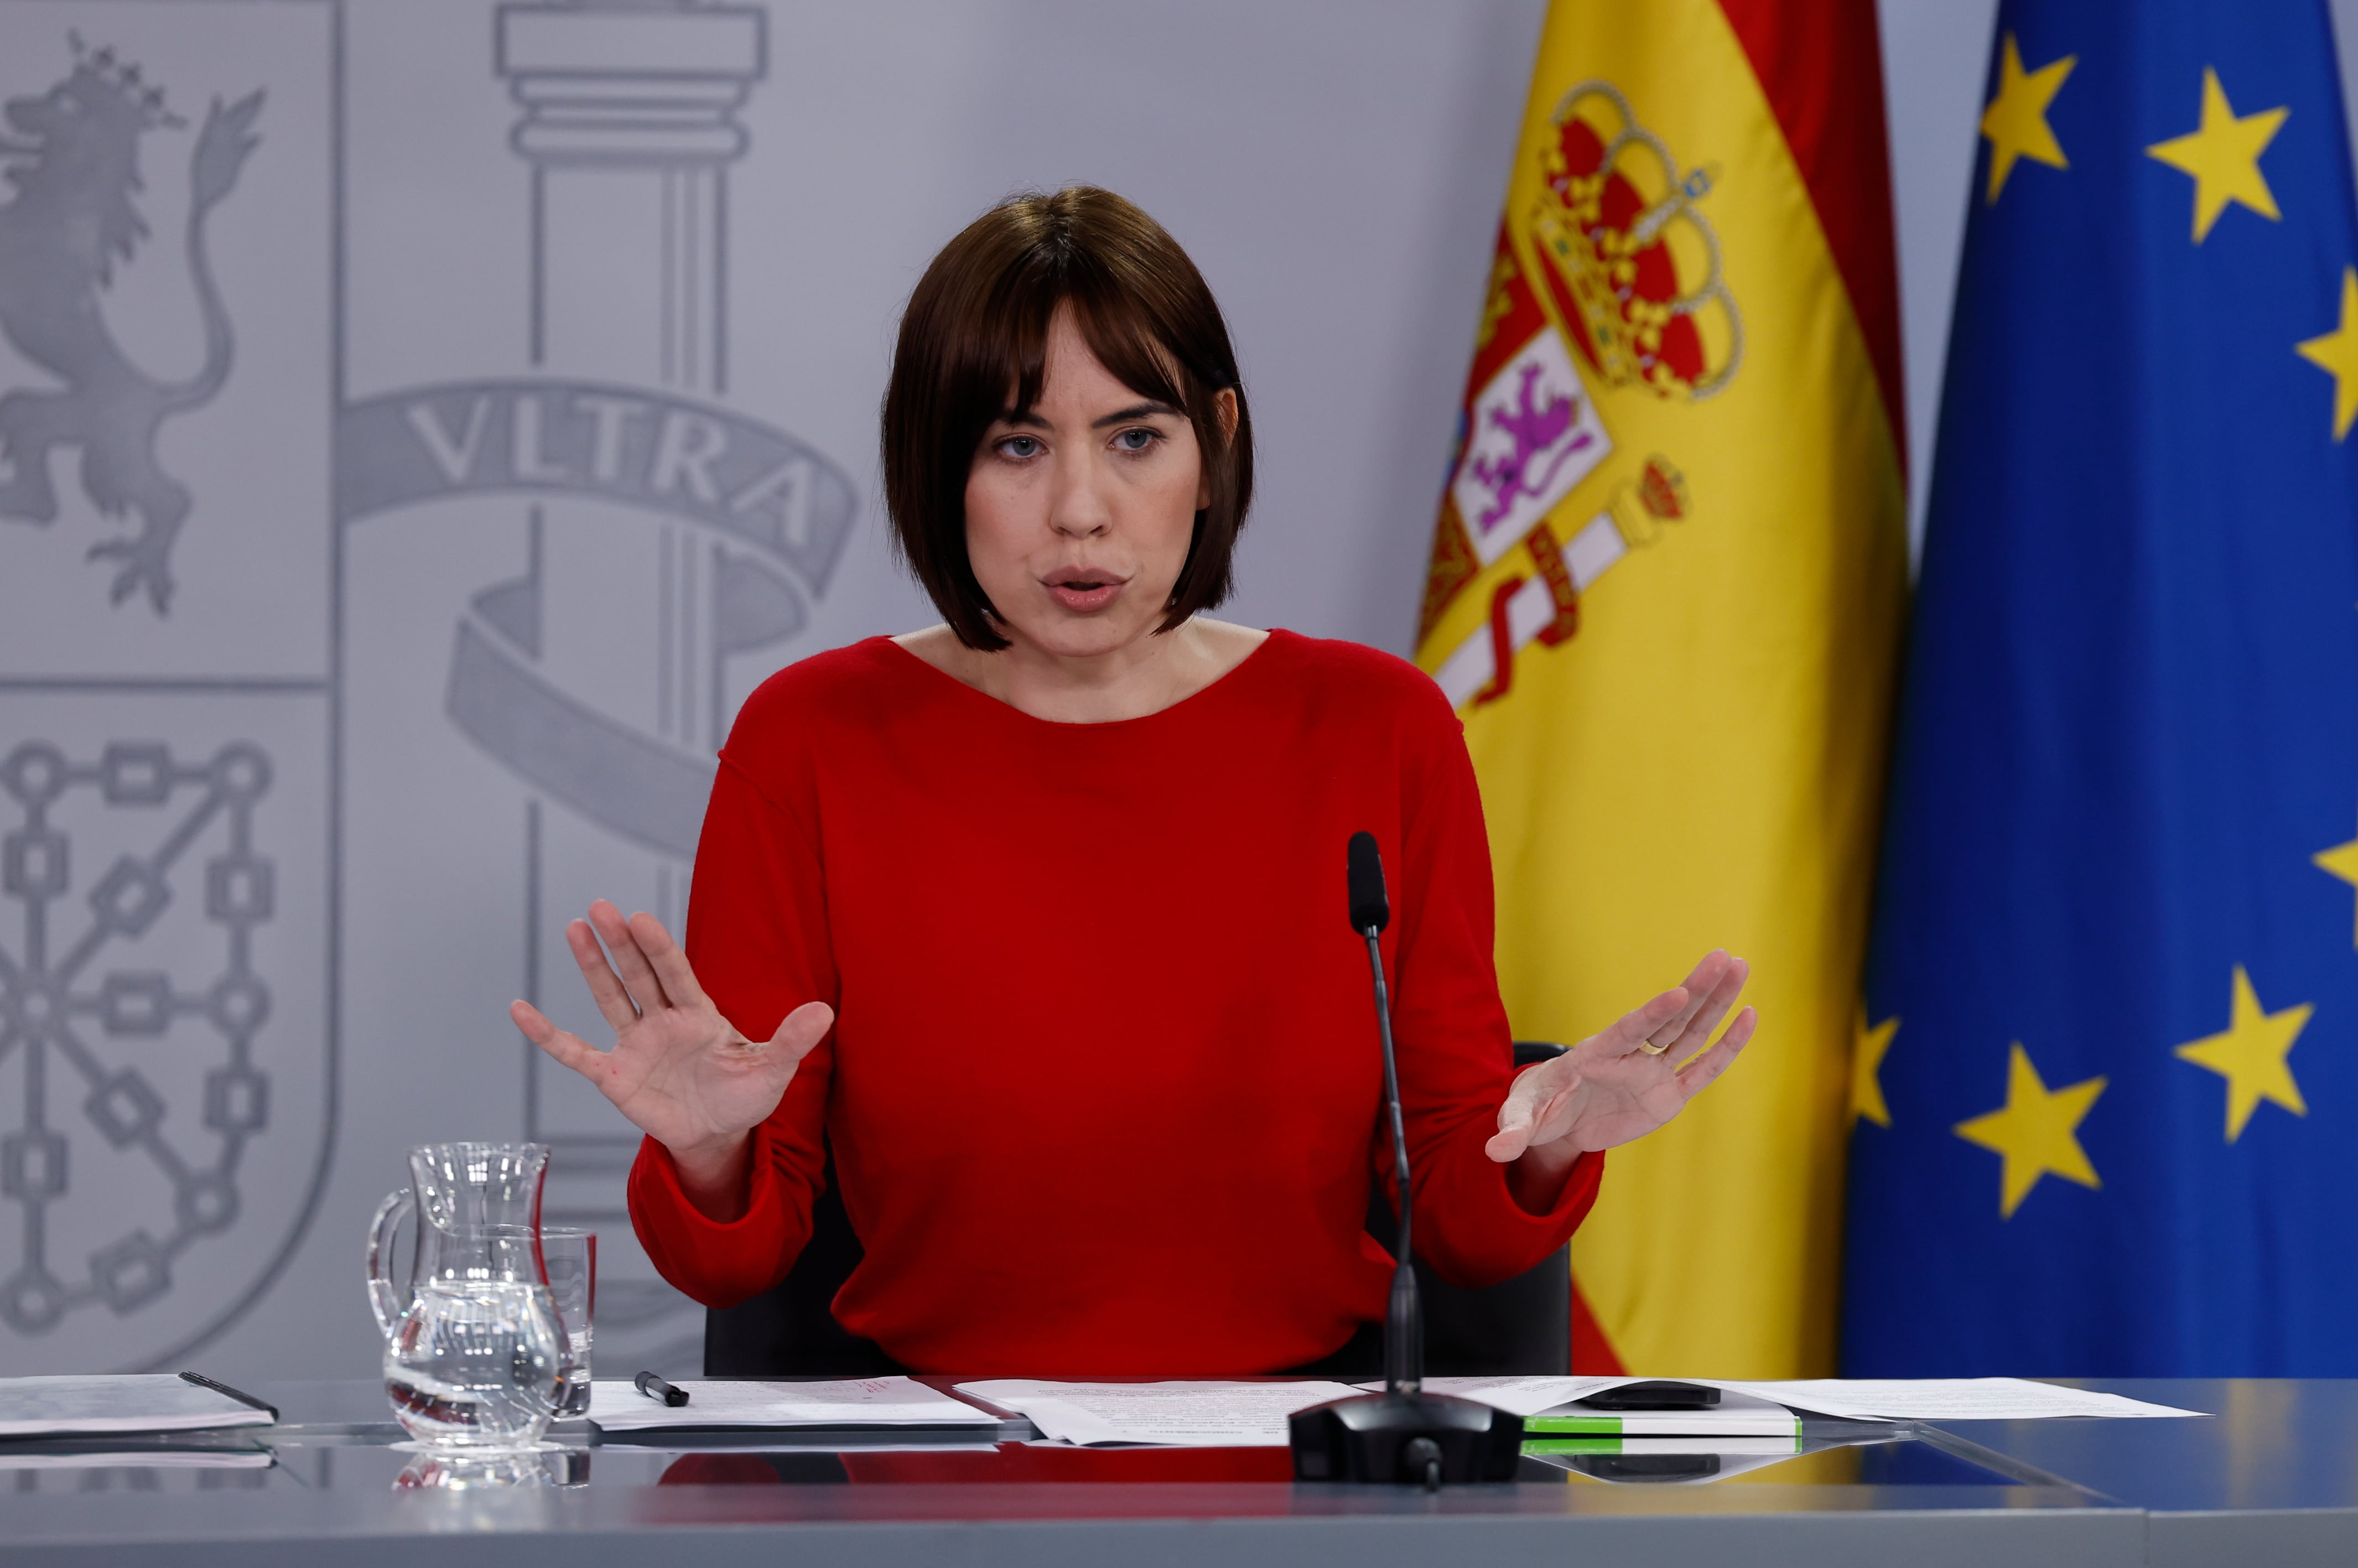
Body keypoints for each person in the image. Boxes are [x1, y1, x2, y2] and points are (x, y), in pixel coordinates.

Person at [509, 186, 1756, 1374]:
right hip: (926, 1471)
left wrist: (1552, 1147)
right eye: (1015, 443)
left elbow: (1463, 1227)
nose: (1080, 511)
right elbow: (736, 1259)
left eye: (1135, 438)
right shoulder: (814, 738)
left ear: (1213, 444)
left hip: (1300, 1471)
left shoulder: (1377, 728)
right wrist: (713, 1147)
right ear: (937, 466)